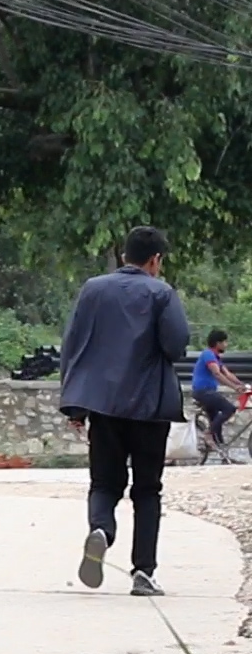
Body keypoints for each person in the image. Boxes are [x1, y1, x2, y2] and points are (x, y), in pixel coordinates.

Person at [60, 226, 191, 597]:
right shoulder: (162, 293)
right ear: (156, 260)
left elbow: (73, 345)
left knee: (104, 483)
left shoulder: (93, 289)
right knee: (147, 489)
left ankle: (101, 529)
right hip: (150, 408)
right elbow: (176, 344)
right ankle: (143, 573)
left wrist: (75, 405)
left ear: (123, 256)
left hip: (102, 405)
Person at [192, 328, 244, 456]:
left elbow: (228, 374)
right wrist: (234, 387)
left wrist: (242, 385)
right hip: (203, 392)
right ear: (218, 343)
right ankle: (208, 434)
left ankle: (223, 455)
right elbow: (217, 374)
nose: (226, 345)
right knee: (229, 409)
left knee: (217, 423)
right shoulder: (208, 355)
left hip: (208, 392)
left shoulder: (215, 357)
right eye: (225, 342)